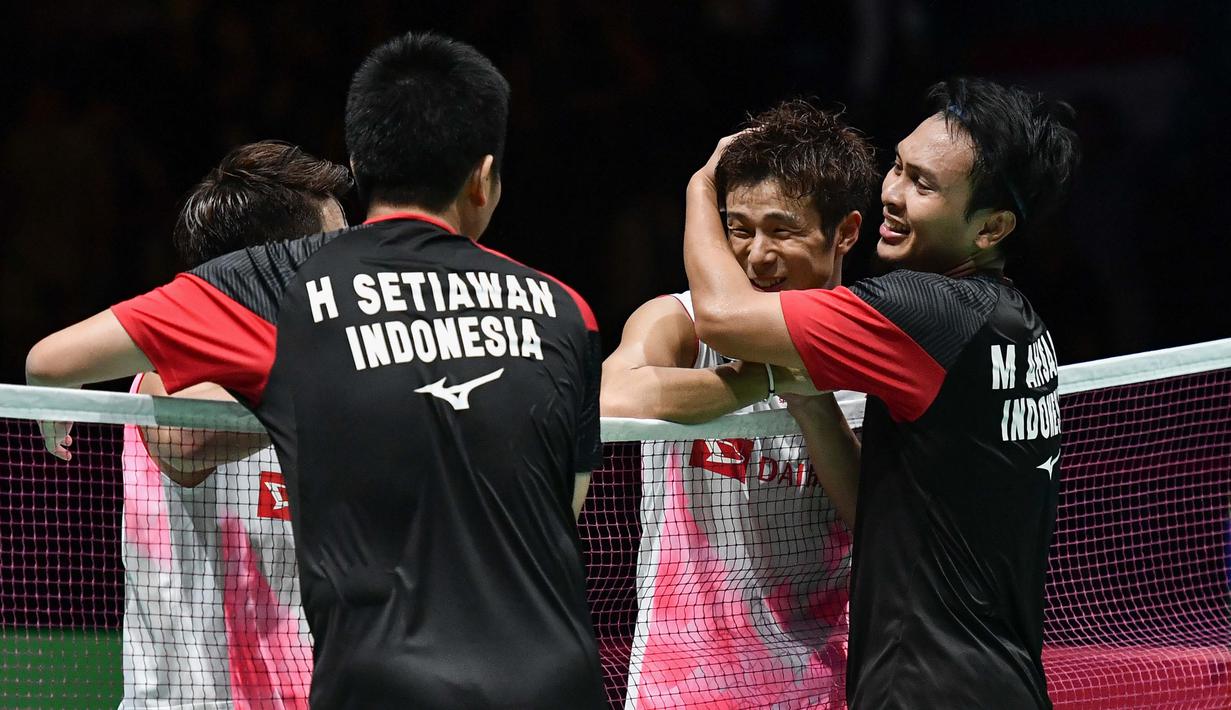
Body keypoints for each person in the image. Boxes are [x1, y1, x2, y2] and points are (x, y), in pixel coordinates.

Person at [26, 32, 605, 709]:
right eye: (332, 242)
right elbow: (171, 433)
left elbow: (51, 362)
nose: (354, 252)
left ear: (363, 162)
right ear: (484, 178)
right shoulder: (558, 307)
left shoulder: (331, 328)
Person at [681, 78, 1080, 708]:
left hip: (922, 686)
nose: (891, 193)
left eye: (923, 185)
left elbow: (723, 318)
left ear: (991, 227)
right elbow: (881, 514)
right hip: (1001, 682)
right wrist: (811, 402)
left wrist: (702, 190)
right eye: (898, 167)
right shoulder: (1018, 325)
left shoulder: (927, 311)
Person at [600, 101, 872, 707]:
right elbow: (612, 396)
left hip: (819, 687)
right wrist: (763, 381)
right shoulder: (681, 323)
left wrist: (812, 397)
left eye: (782, 230)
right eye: (739, 229)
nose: (755, 256)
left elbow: (880, 524)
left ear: (845, 232)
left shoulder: (871, 357)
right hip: (679, 689)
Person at [117, 140, 350, 708]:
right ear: (274, 263)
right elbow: (187, 434)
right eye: (337, 245)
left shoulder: (325, 379)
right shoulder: (168, 377)